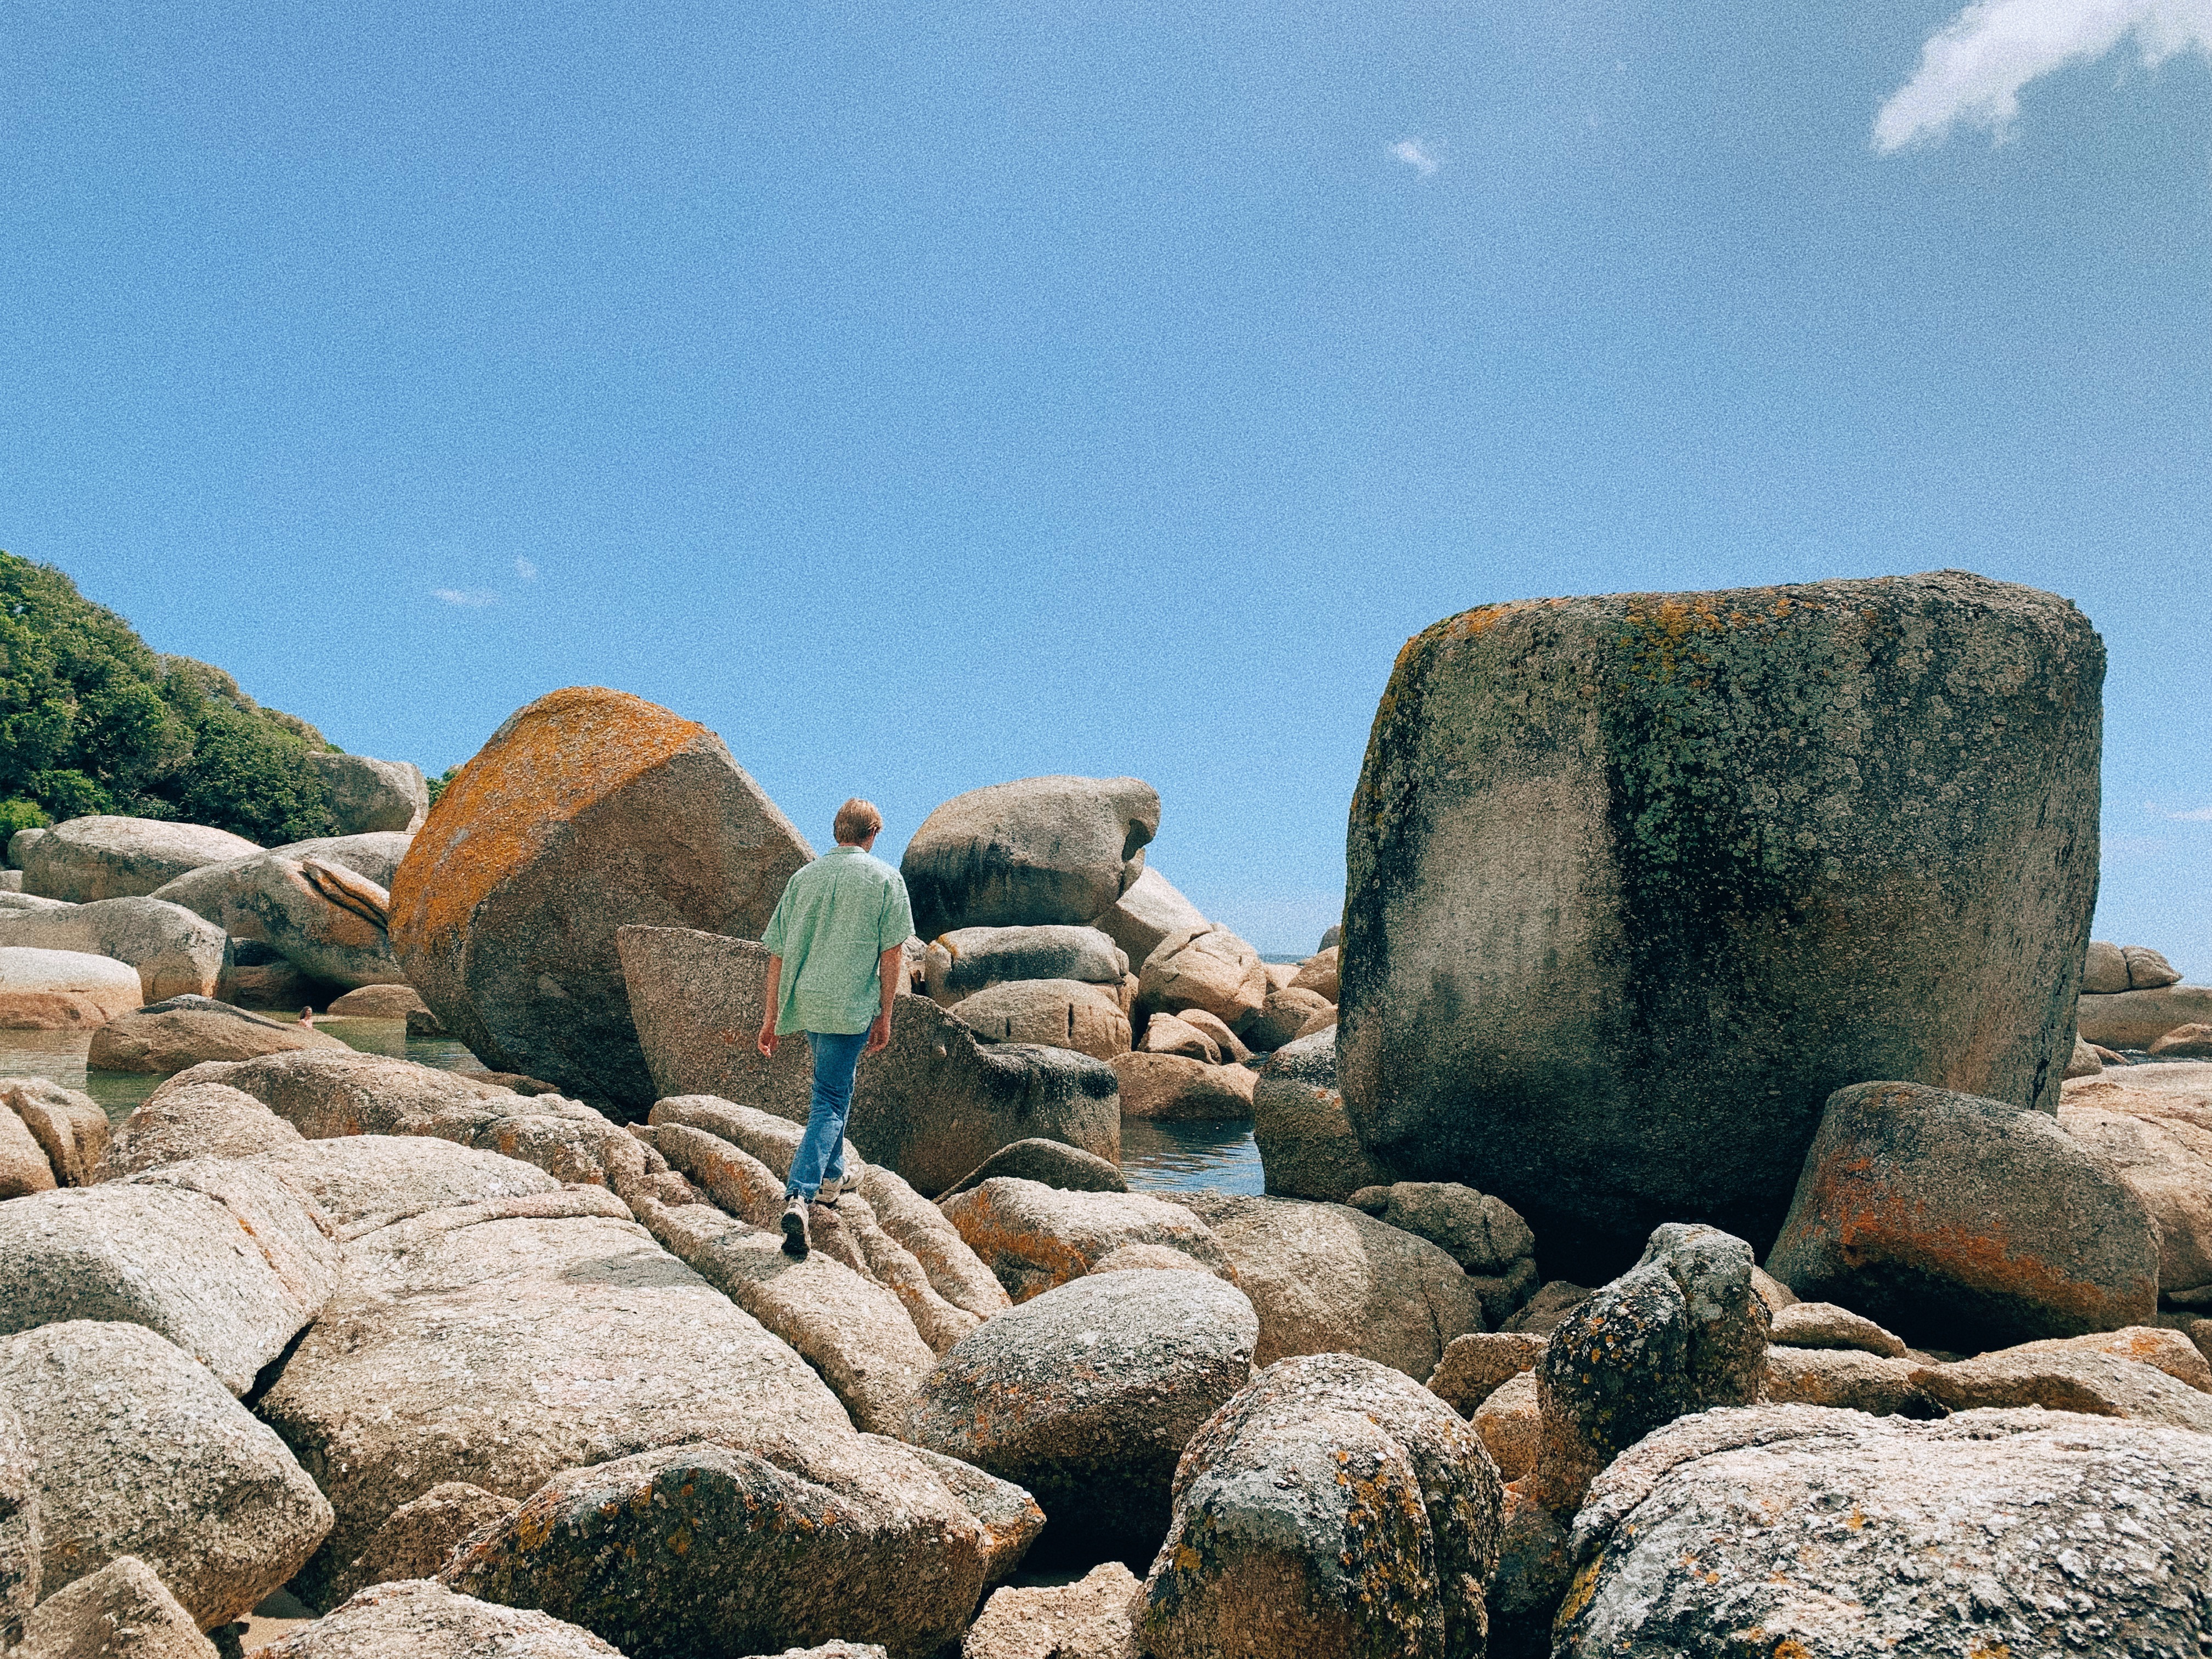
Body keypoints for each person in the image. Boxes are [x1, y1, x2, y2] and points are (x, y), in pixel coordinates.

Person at [755, 797, 913, 1259]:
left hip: (808, 1000)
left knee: (832, 1090)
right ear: (873, 834)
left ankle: (831, 1178)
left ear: (836, 832)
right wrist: (886, 1014)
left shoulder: (804, 879)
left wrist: (770, 1019)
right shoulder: (886, 878)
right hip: (849, 1007)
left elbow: (778, 954)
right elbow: (892, 955)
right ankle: (800, 1195)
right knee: (829, 1100)